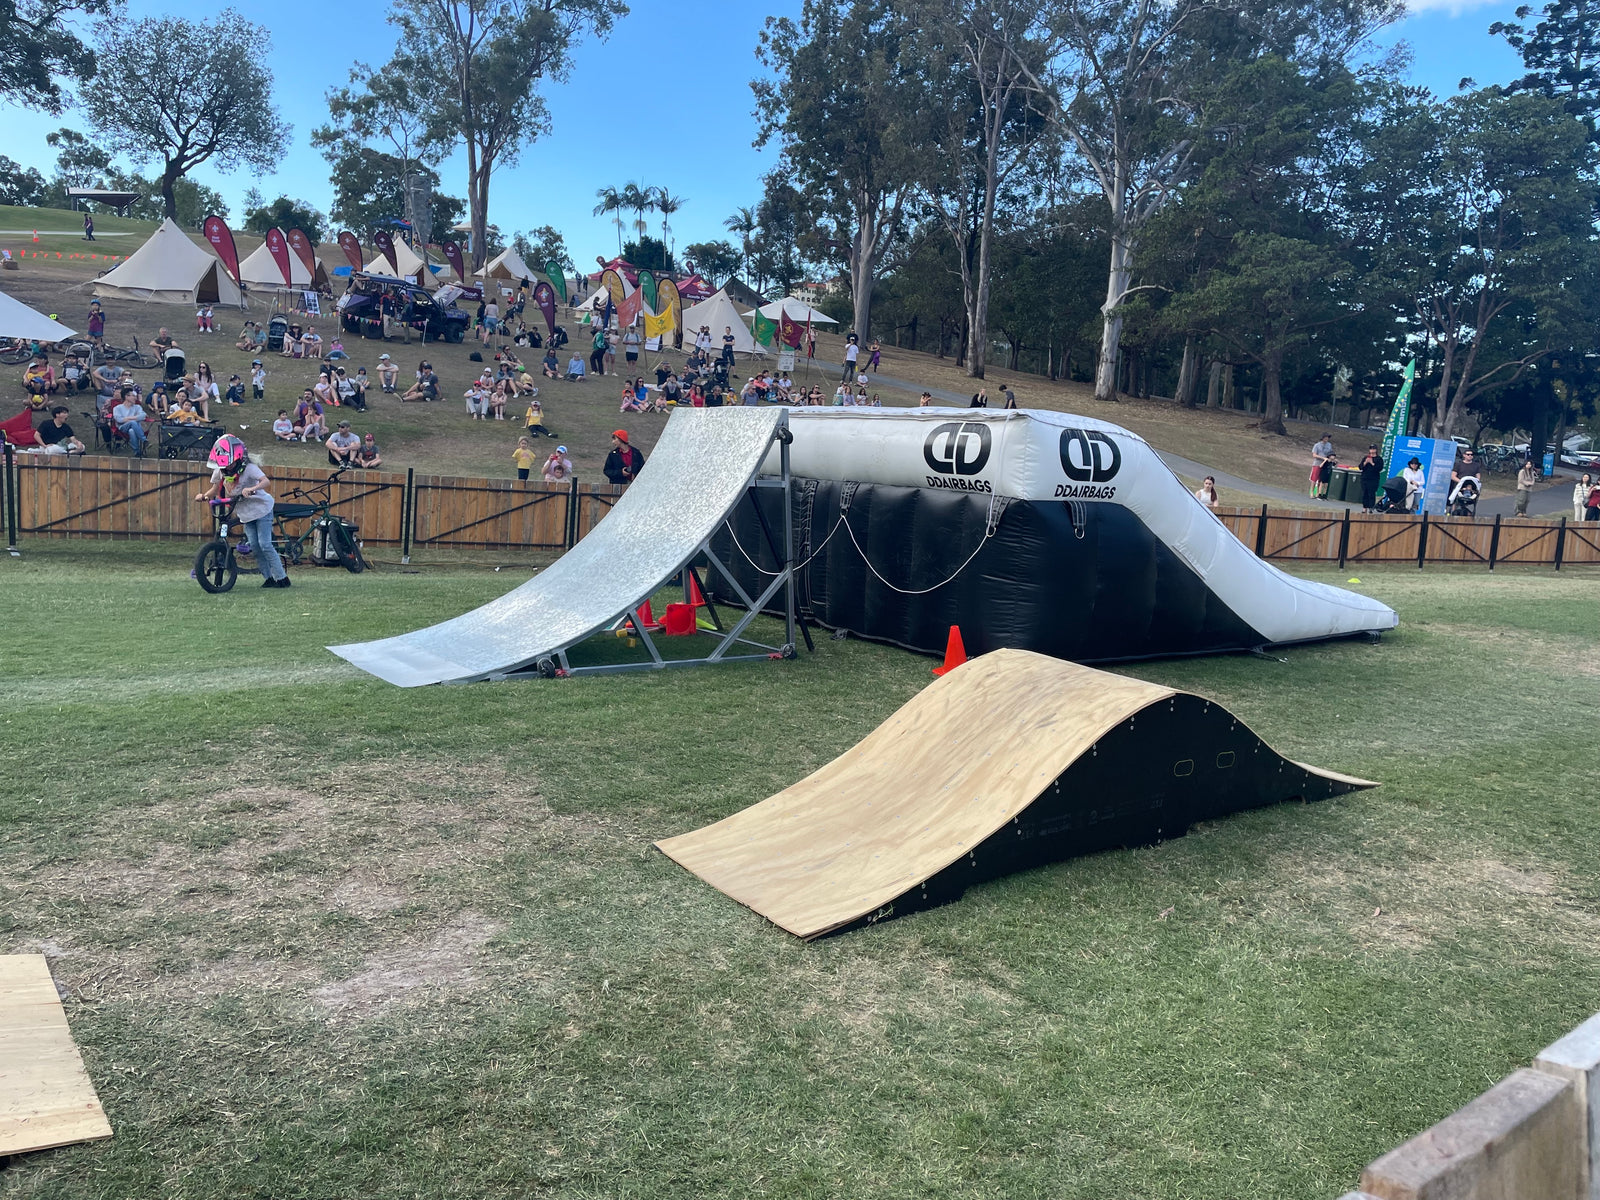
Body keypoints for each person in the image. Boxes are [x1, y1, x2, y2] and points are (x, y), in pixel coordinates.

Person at [194, 435, 289, 588]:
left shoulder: (250, 468)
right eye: (224, 465)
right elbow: (214, 488)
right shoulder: (220, 471)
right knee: (255, 546)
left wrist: (252, 489)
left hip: (262, 509)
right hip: (246, 513)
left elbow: (266, 481)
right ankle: (269, 578)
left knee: (265, 544)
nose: (227, 468)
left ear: (238, 458)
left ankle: (282, 578)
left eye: (230, 464)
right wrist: (204, 496)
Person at [112, 391, 149, 456]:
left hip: (135, 428)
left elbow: (143, 415)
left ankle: (137, 452)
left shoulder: (137, 407)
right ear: (127, 397)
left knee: (131, 430)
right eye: (133, 396)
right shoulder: (117, 408)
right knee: (132, 422)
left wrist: (128, 418)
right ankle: (144, 440)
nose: (135, 398)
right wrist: (135, 418)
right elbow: (119, 420)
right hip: (122, 428)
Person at [1357, 445, 1384, 512]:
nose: (1372, 450)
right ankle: (1364, 507)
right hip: (1365, 478)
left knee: (1371, 493)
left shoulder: (1379, 459)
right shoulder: (1366, 457)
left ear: (1376, 450)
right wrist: (1365, 462)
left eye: (1373, 449)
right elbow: (1360, 467)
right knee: (1364, 493)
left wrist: (1372, 463)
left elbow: (1379, 468)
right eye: (1371, 449)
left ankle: (1371, 507)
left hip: (1373, 479)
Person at [1310, 433, 1335, 499]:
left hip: (1325, 465)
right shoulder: (1317, 445)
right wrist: (1322, 458)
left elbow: (1330, 453)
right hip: (1317, 463)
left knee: (1321, 479)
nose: (1326, 439)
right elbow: (1314, 455)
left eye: (1328, 438)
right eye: (1325, 437)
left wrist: (1331, 459)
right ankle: (1312, 492)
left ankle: (1318, 493)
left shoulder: (1329, 445)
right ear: (1322, 438)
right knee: (1314, 479)